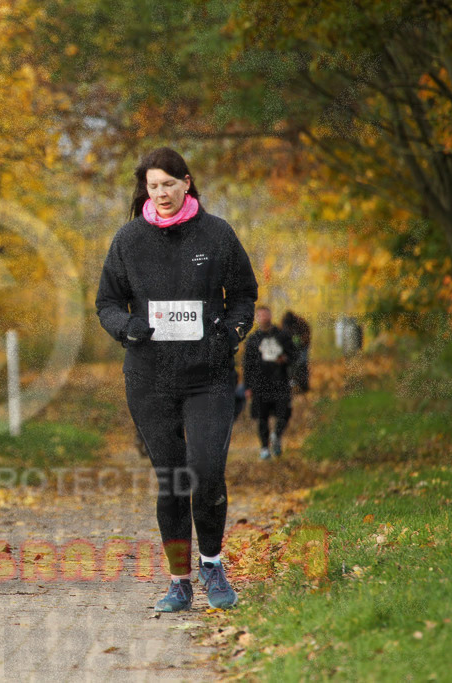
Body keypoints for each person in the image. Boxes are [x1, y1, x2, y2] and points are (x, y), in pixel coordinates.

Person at [96, 147, 258, 612]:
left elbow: (244, 294)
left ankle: (212, 563)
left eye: (169, 183)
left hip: (208, 375)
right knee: (171, 480)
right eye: (153, 186)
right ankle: (179, 580)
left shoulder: (217, 233)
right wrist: (126, 328)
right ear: (144, 190)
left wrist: (231, 333)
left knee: (206, 472)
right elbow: (106, 302)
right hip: (150, 378)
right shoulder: (128, 240)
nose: (162, 193)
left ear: (187, 182)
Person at [243, 306, 298, 460]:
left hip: (280, 382)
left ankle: (276, 435)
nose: (264, 318)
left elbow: (294, 355)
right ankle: (264, 448)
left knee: (285, 412)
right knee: (262, 418)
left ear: (270, 316)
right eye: (260, 316)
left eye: (266, 315)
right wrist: (247, 387)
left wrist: (285, 359)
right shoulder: (253, 340)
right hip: (260, 384)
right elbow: (247, 364)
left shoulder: (282, 335)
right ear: (257, 319)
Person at [280, 310, 311, 392]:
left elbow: (307, 335)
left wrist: (301, 341)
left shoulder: (300, 322)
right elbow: (282, 335)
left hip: (303, 346)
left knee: (302, 363)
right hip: (290, 348)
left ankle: (304, 386)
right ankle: (291, 384)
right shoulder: (284, 323)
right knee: (290, 365)